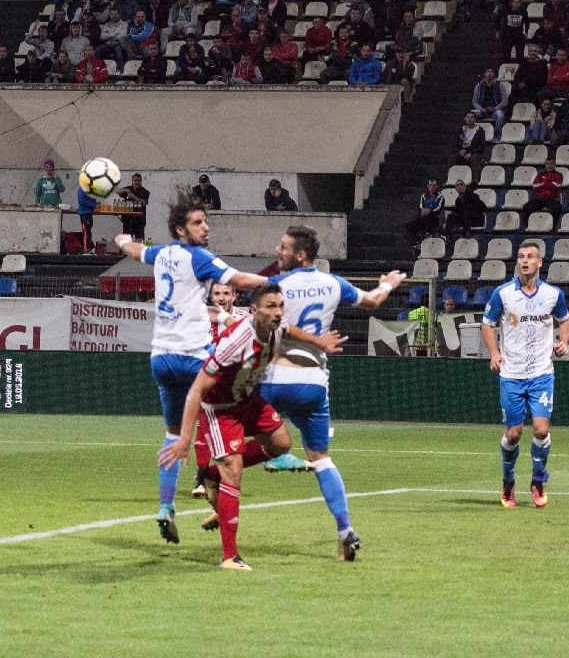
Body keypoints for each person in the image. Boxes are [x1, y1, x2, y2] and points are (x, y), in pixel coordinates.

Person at [112, 192, 273, 544]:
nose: (206, 228)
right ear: (180, 230)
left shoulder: (162, 254)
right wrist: (277, 282)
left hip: (161, 358)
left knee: (173, 435)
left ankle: (166, 507)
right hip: (194, 357)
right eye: (198, 223)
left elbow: (137, 251)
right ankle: (261, 453)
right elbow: (240, 280)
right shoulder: (198, 257)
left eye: (206, 221)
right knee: (241, 399)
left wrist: (122, 240)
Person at [159, 283, 345, 569]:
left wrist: (319, 342)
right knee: (233, 472)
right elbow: (196, 389)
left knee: (281, 444)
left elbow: (291, 329)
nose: (278, 312)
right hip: (220, 408)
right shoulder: (235, 342)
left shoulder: (276, 327)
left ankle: (211, 474)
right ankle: (229, 556)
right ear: (254, 311)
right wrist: (184, 438)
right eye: (271, 307)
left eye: (281, 306)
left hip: (248, 399)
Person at [257, 226, 406, 561]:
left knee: (230, 434)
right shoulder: (333, 283)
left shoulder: (276, 286)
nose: (277, 250)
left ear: (300, 255)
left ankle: (217, 486)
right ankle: (344, 529)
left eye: (283, 247)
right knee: (321, 458)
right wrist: (389, 283)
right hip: (313, 383)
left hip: (275, 378)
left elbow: (272, 324)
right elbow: (373, 301)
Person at [481, 241, 569, 509]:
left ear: (540, 262)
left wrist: (564, 342)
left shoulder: (553, 294)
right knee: (513, 434)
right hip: (511, 374)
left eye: (530, 256)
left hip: (542, 373)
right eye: (521, 256)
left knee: (541, 430)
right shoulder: (503, 293)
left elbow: (565, 320)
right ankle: (508, 481)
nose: (524, 260)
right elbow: (487, 324)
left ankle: (538, 480)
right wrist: (494, 353)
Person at [521, 159, 564, 230]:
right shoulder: (540, 175)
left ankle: (552, 228)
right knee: (526, 207)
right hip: (540, 199)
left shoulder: (558, 175)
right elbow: (535, 186)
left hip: (552, 199)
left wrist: (544, 183)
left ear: (554, 165)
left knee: (557, 208)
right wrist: (549, 184)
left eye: (551, 164)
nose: (549, 166)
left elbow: (557, 185)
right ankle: (530, 226)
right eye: (547, 164)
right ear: (545, 165)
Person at [471, 67, 509, 140]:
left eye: (491, 72)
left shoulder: (500, 85)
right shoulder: (479, 85)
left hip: (495, 110)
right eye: (488, 71)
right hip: (482, 110)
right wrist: (481, 109)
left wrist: (495, 108)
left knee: (500, 115)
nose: (489, 73)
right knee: (470, 115)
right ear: (484, 74)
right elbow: (474, 101)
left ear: (494, 74)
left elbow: (505, 101)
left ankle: (497, 136)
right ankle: (474, 137)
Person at [406, 177, 445, 245]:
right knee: (409, 226)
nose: (432, 187)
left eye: (434, 185)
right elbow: (421, 208)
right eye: (430, 185)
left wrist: (430, 211)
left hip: (434, 219)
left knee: (428, 217)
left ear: (437, 186)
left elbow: (438, 208)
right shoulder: (423, 196)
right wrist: (424, 211)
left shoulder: (440, 196)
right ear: (427, 186)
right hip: (424, 218)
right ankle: (419, 241)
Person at [448, 111, 486, 180]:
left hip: (474, 151)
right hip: (463, 150)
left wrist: (471, 153)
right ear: (465, 119)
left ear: (475, 119)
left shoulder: (480, 131)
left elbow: (482, 146)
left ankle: (475, 180)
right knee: (452, 158)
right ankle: (449, 179)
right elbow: (455, 144)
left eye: (472, 117)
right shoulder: (461, 130)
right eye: (468, 117)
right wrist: (460, 151)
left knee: (474, 159)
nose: (470, 119)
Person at [117, 173, 150, 239]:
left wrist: (134, 197)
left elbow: (144, 202)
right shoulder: (129, 189)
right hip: (127, 219)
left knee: (139, 240)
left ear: (141, 181)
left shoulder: (145, 192)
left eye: (139, 180)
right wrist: (125, 190)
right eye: (135, 180)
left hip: (139, 220)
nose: (137, 182)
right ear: (132, 181)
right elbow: (117, 191)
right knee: (127, 239)